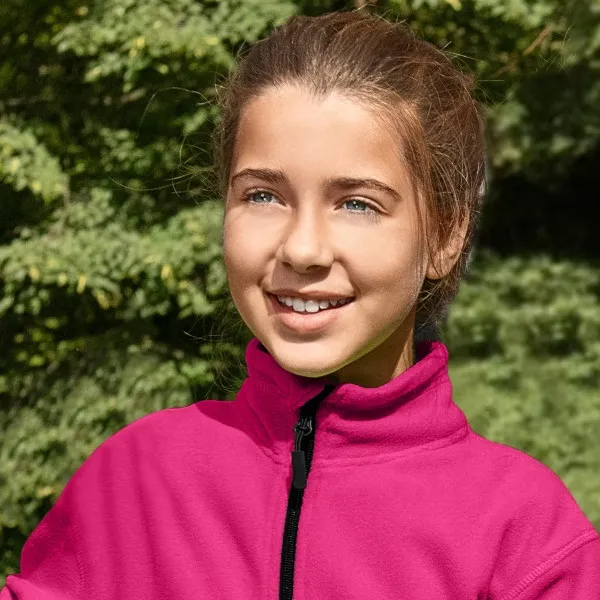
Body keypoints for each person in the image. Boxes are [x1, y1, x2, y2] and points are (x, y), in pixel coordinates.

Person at [2, 10, 599, 600]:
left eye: (358, 204)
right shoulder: (130, 485)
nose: (303, 249)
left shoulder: (525, 540)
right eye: (263, 195)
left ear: (445, 236)